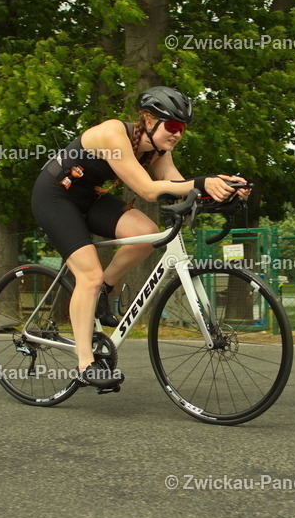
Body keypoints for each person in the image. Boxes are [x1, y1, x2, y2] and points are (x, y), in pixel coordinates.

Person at [31, 86, 249, 389]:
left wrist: (222, 190)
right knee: (89, 275)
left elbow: (177, 184)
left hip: (90, 197)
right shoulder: (113, 134)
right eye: (173, 125)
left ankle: (104, 290)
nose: (177, 134)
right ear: (148, 119)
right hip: (56, 196)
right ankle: (84, 365)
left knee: (147, 234)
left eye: (182, 128)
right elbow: (147, 190)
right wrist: (203, 183)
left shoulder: (158, 150)